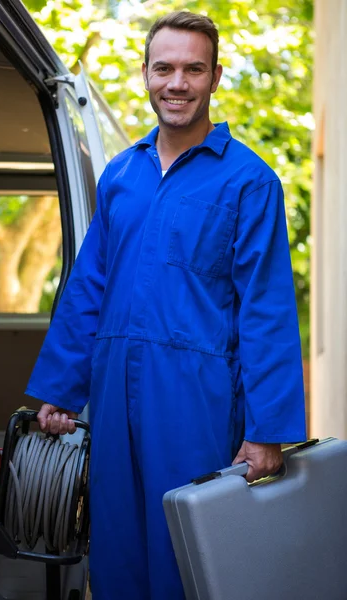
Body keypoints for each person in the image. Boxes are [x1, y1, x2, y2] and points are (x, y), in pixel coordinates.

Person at [26, 11, 306, 600]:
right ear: (146, 74)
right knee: (117, 547)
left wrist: (268, 431)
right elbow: (89, 285)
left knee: (189, 551)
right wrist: (61, 386)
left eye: (192, 69)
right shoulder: (121, 175)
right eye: (164, 68)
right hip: (110, 391)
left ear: (215, 77)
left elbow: (266, 309)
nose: (176, 82)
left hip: (196, 396)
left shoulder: (249, 181)